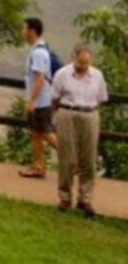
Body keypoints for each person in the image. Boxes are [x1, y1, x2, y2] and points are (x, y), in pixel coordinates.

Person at [51, 46, 108, 216]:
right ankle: (65, 197)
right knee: (66, 158)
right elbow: (55, 97)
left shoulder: (97, 75)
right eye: (79, 62)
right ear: (73, 58)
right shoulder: (62, 74)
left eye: (86, 63)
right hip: (67, 112)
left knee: (89, 159)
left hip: (89, 113)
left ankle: (85, 199)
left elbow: (101, 98)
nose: (82, 66)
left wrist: (88, 111)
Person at [19, 17, 60, 178]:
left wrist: (32, 101)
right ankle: (38, 166)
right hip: (40, 100)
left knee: (45, 132)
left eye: (24, 28)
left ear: (32, 31)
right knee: (36, 133)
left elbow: (40, 78)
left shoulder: (39, 53)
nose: (22, 32)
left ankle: (72, 160)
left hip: (41, 101)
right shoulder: (39, 50)